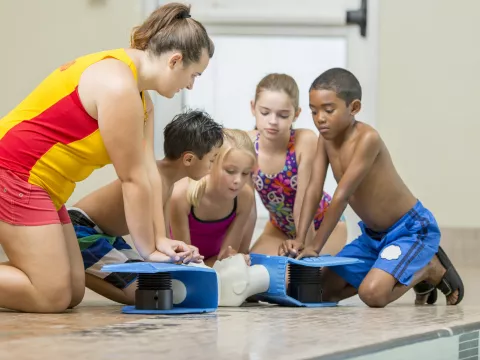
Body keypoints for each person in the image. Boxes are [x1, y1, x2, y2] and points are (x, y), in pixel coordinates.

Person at [0, 2, 215, 313]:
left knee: (72, 291)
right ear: (175, 60)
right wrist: (147, 252)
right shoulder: (117, 86)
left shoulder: (142, 99)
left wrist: (159, 239)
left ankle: (34, 273)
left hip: (43, 186)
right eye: (193, 74)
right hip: (14, 173)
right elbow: (132, 179)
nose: (191, 84)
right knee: (51, 295)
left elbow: (148, 173)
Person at [281, 68, 464, 307]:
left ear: (354, 108)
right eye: (314, 111)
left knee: (373, 294)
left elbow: (342, 196)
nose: (320, 119)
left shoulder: (368, 139)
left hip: (410, 230)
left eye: (329, 110)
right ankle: (393, 268)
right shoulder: (324, 140)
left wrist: (316, 247)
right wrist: (300, 237)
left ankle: (429, 268)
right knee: (321, 291)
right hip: (373, 238)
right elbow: (314, 189)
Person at [68, 110, 223, 305]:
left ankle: (77, 263)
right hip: (80, 229)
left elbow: (161, 238)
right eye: (212, 159)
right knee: (141, 293)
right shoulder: (151, 177)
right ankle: (70, 265)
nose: (213, 166)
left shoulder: (168, 183)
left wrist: (183, 252)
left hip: (108, 237)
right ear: (189, 159)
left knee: (154, 284)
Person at [246, 73, 347, 256]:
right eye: (265, 112)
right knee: (254, 271)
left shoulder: (304, 141)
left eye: (283, 115)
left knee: (300, 277)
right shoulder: (248, 144)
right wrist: (239, 252)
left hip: (322, 226)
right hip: (279, 227)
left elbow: (305, 200)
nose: (273, 121)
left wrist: (305, 249)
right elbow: (246, 205)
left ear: (296, 114)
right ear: (253, 108)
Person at [170, 129, 256, 267]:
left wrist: (234, 259)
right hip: (180, 265)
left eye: (245, 173)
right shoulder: (181, 196)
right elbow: (184, 264)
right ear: (210, 163)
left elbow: (226, 257)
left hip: (214, 264)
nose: (238, 180)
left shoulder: (244, 197)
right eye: (230, 171)